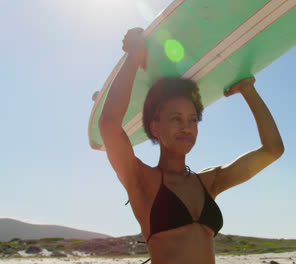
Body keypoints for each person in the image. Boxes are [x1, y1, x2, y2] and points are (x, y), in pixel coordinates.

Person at [99, 27, 284, 264]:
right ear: (155, 127)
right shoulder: (142, 180)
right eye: (176, 118)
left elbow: (272, 150)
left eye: (193, 119)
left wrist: (248, 89)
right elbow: (109, 124)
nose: (186, 127)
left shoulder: (209, 182)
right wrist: (134, 56)